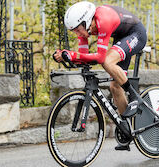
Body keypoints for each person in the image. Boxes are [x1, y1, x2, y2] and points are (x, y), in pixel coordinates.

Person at [53, 1, 147, 151]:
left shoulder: (103, 20)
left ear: (86, 21)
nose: (77, 34)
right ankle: (126, 130)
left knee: (108, 62)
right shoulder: (85, 28)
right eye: (74, 31)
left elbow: (100, 58)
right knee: (115, 86)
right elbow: (83, 56)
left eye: (77, 30)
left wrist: (72, 55)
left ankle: (135, 97)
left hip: (136, 33)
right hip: (121, 38)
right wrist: (67, 56)